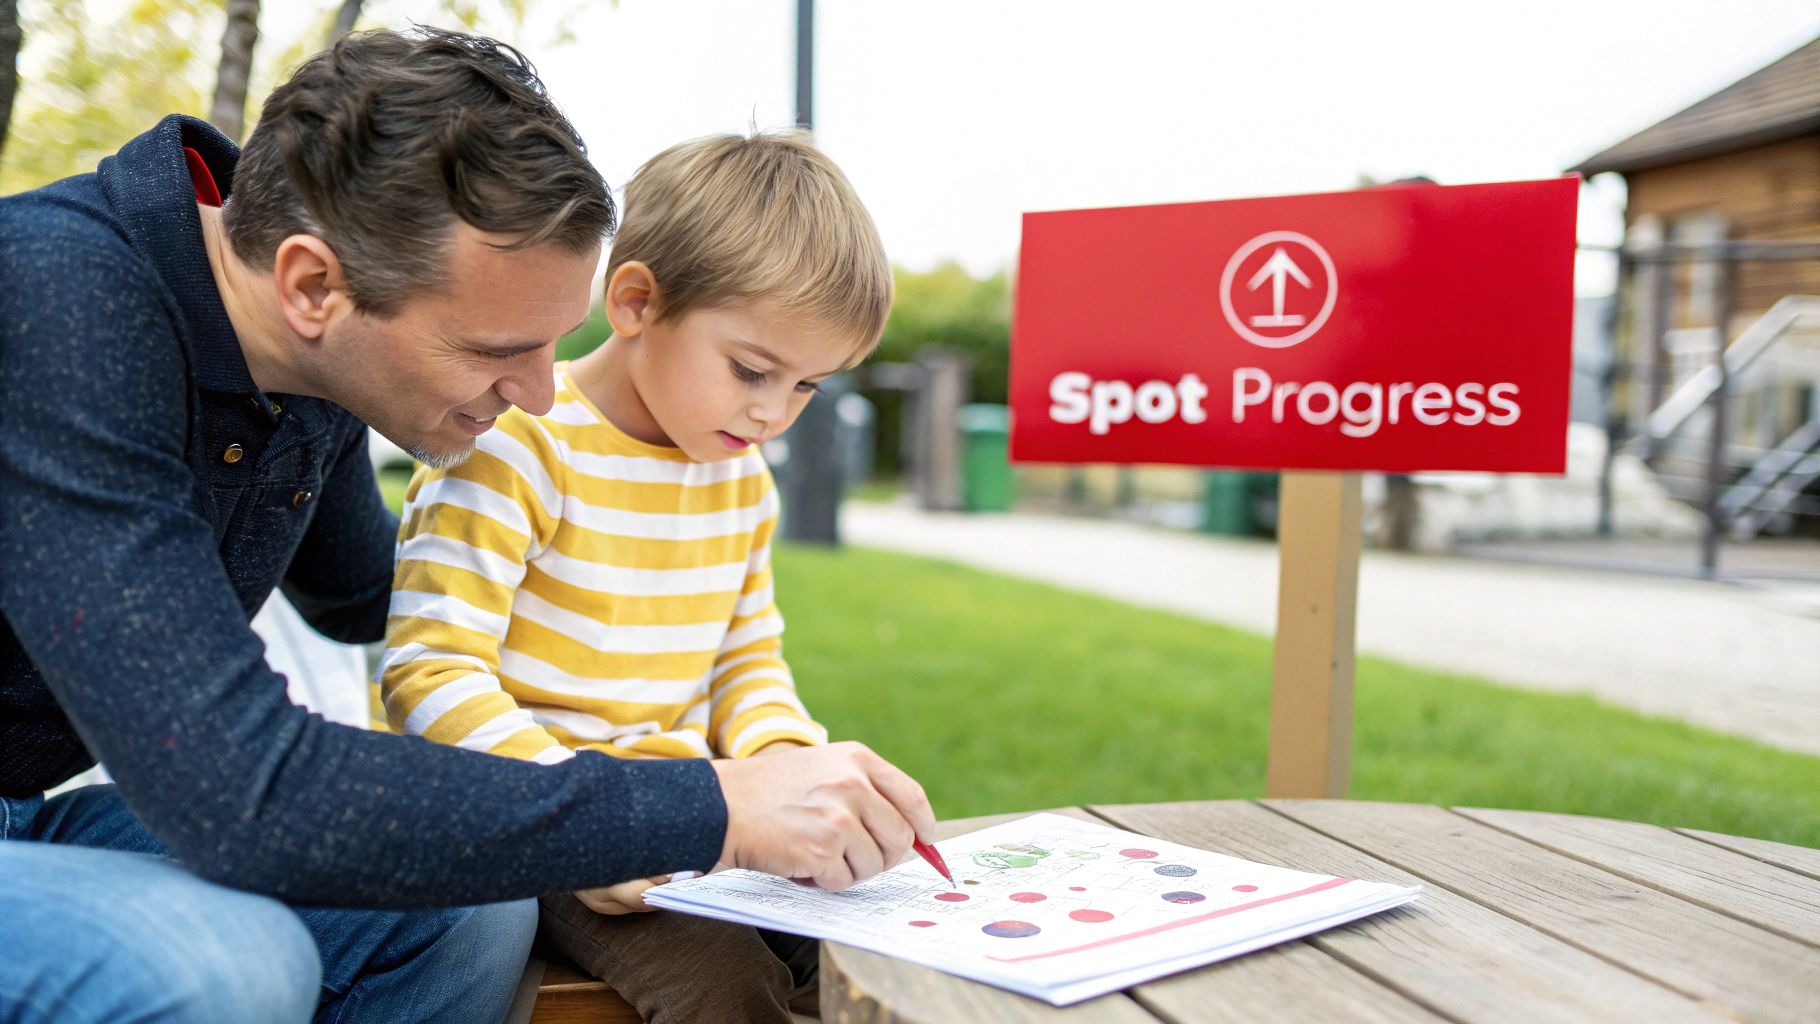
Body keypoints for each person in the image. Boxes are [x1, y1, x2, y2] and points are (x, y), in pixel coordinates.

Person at [0, 28, 933, 1024]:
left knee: (468, 907)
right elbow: (245, 793)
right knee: (228, 964)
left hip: (28, 815)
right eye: (500, 347)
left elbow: (375, 594)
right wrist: (699, 807)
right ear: (313, 286)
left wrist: (604, 537)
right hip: (166, 812)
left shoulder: (292, 360)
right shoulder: (57, 304)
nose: (538, 394)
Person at [378, 130, 891, 1022]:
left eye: (809, 386)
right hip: (540, 827)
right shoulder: (514, 448)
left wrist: (786, 767)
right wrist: (594, 822)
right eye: (753, 370)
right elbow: (430, 675)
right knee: (726, 990)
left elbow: (745, 662)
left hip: (694, 821)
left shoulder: (738, 474)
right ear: (637, 301)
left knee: (875, 938)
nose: (774, 413)